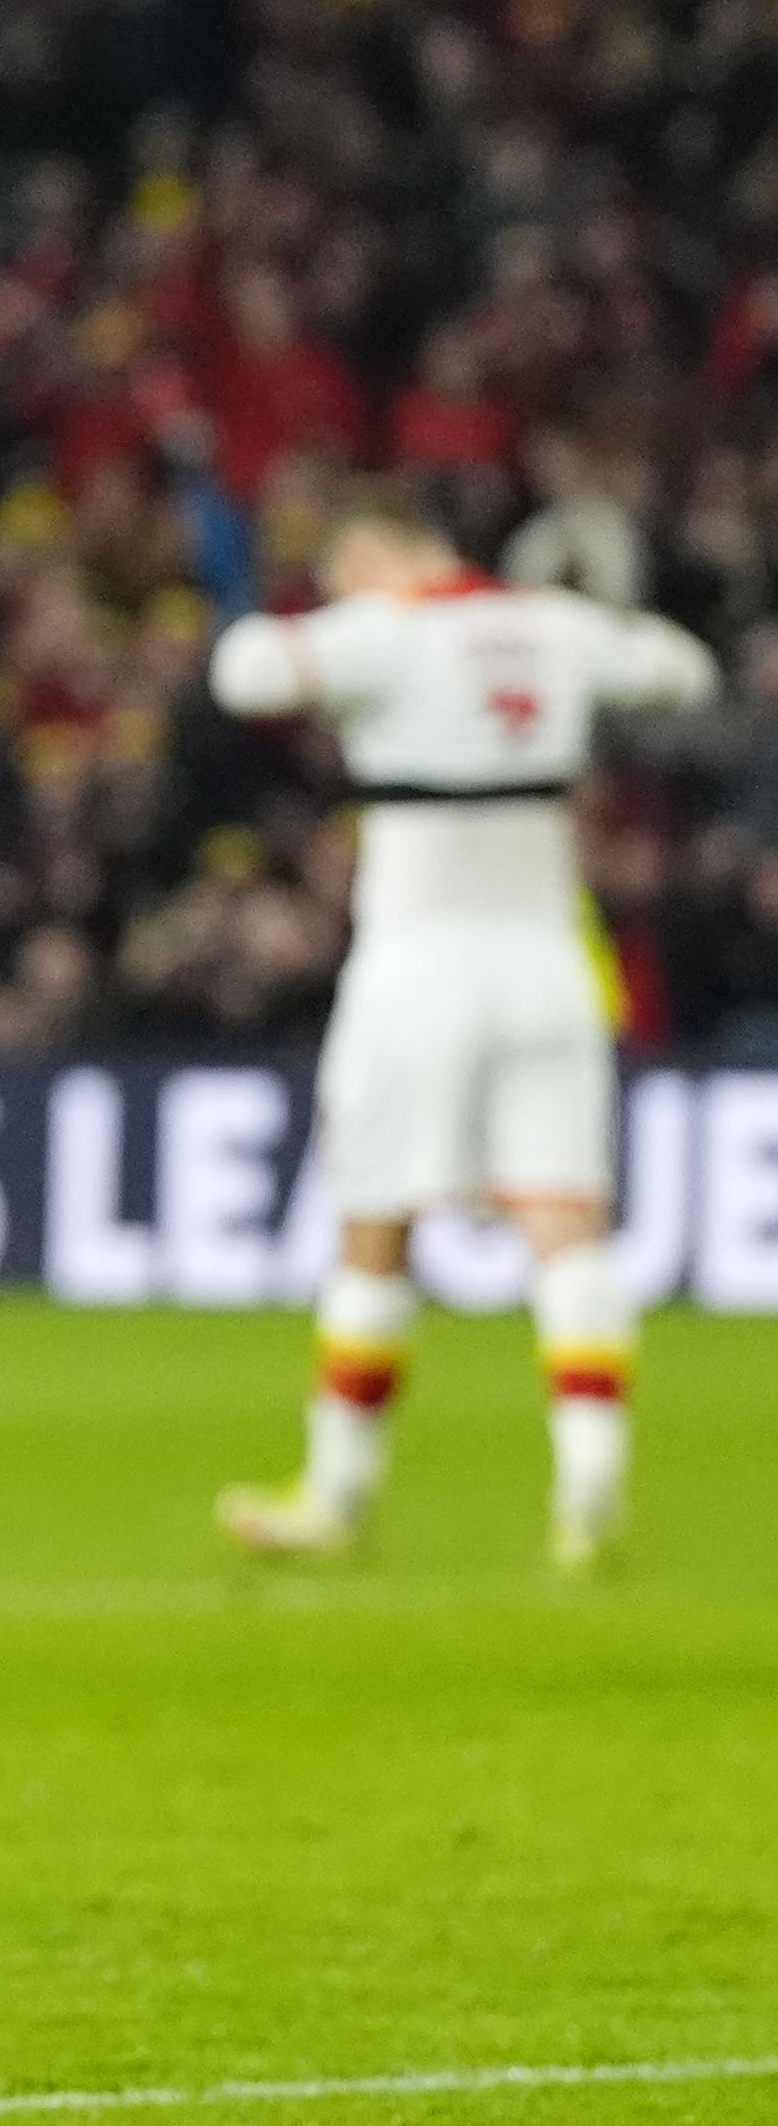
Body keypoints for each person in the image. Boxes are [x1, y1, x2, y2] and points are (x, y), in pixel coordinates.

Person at [211, 497, 716, 1570]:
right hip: (546, 958)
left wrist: (327, 644)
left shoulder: (388, 627)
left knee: (375, 1220)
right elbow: (681, 670)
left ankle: (336, 1497)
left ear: (377, 551)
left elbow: (245, 672)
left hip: (417, 963)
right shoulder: (555, 622)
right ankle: (589, 1482)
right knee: (564, 1220)